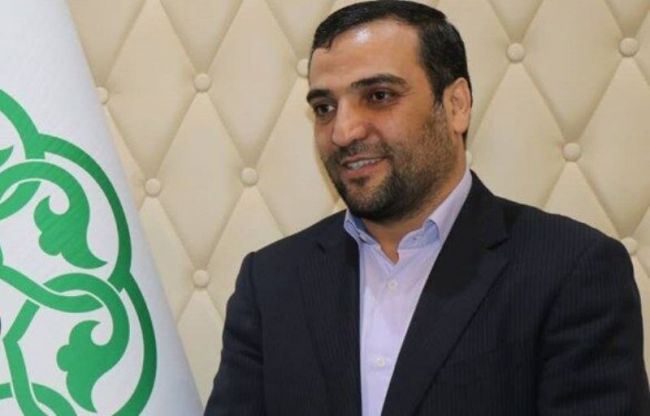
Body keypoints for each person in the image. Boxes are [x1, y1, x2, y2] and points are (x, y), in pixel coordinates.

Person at [204, 1, 650, 415]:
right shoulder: (271, 281)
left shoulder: (571, 269)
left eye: (379, 96)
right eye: (324, 107)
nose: (343, 131)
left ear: (456, 105)